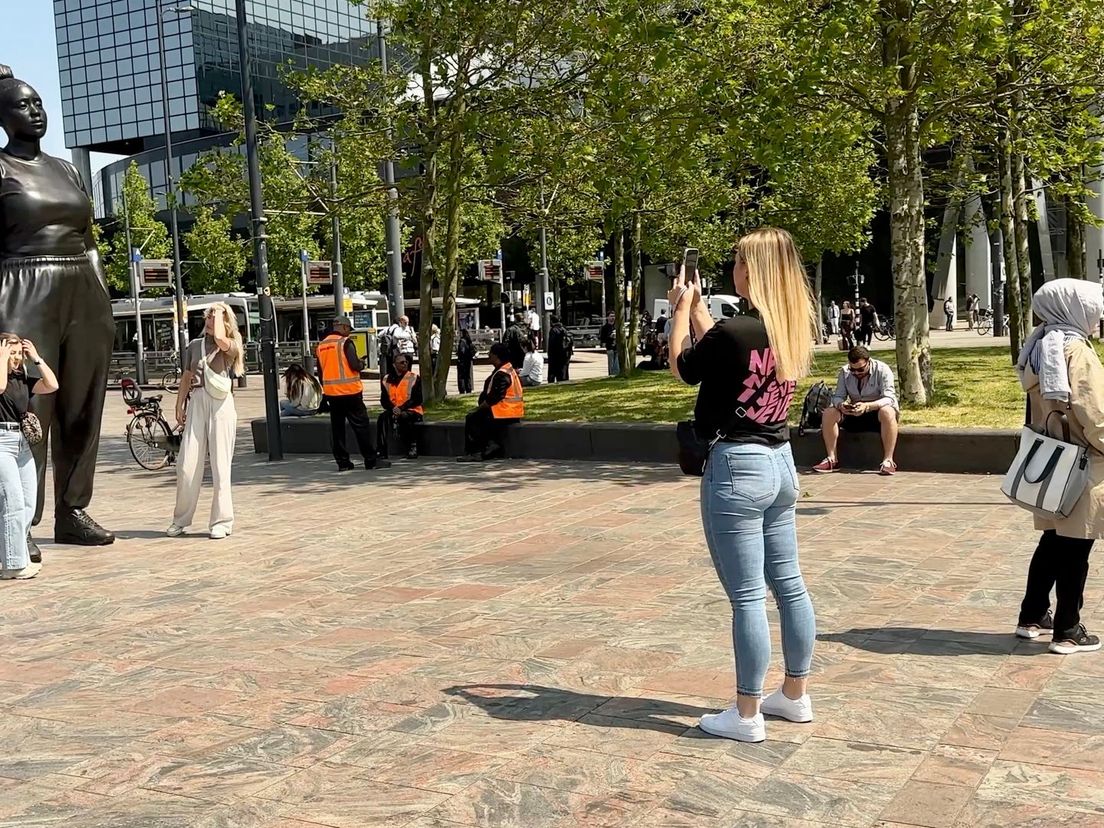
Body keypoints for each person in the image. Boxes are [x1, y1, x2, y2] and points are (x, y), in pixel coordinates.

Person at [669, 226, 816, 743]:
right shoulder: (791, 327)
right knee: (789, 583)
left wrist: (680, 311)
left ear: (751, 271)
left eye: (738, 260)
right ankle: (794, 695)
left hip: (737, 465)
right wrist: (702, 310)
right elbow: (723, 347)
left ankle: (747, 712)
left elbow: (685, 367)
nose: (733, 266)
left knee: (748, 595)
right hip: (780, 461)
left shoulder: (737, 334)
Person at [0, 65, 115, 546]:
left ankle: (73, 510)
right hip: (23, 286)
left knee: (82, 404)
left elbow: (89, 238)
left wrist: (102, 289)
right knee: (29, 408)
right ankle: (20, 521)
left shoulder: (67, 169)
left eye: (39, 102)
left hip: (82, 288)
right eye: (23, 105)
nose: (36, 111)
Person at [1014, 279, 1104, 654]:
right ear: (1075, 308)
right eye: (1094, 305)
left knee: (1052, 541)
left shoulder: (1039, 345)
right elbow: (1094, 413)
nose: (1098, 313)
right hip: (1082, 461)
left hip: (1051, 459)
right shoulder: (1075, 351)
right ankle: (1068, 628)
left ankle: (1032, 614)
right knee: (1075, 547)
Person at [167, 303, 243, 540]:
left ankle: (222, 521)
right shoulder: (194, 346)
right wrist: (180, 404)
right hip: (198, 399)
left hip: (221, 403)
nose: (209, 321)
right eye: (208, 317)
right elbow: (187, 377)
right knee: (186, 465)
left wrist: (219, 311)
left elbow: (220, 337)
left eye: (214, 318)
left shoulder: (230, 345)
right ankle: (180, 519)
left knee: (221, 465)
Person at [0, 334, 57, 579]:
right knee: (11, 503)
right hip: (2, 443)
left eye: (17, 354)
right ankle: (13, 565)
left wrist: (36, 358)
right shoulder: (3, 378)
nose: (15, 358)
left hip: (22, 444)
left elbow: (52, 385)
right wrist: (2, 357)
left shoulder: (22, 378)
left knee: (27, 504)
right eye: (10, 353)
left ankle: (17, 556)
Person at [813, 345, 900, 475]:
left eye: (860, 369)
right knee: (829, 413)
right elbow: (838, 396)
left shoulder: (882, 370)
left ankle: (888, 460)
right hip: (853, 413)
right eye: (853, 370)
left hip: (876, 414)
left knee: (887, 411)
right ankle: (832, 459)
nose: (856, 373)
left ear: (868, 362)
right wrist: (841, 405)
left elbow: (889, 398)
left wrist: (868, 406)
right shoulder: (845, 372)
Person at [315, 316, 387, 472]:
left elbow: (321, 372)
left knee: (338, 430)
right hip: (350, 392)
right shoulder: (345, 343)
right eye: (348, 329)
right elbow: (354, 365)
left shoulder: (321, 345)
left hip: (332, 394)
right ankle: (370, 460)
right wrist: (361, 363)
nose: (349, 332)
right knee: (361, 427)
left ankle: (343, 462)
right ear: (344, 327)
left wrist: (326, 391)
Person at [457, 342, 524, 463]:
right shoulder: (507, 369)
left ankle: (475, 452)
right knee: (478, 417)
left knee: (473, 418)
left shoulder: (502, 373)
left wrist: (481, 407)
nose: (488, 355)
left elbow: (495, 397)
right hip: (509, 410)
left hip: (503, 411)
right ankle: (491, 445)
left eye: (490, 353)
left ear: (496, 356)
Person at [377, 353, 424, 460]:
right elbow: (384, 400)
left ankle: (412, 447)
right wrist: (393, 408)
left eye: (406, 362)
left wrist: (401, 408)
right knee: (382, 418)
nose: (405, 364)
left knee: (404, 417)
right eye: (401, 362)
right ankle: (381, 450)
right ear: (394, 365)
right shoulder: (386, 379)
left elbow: (417, 399)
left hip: (412, 410)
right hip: (394, 409)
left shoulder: (414, 378)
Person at [546, 316, 571, 384]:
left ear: (551, 321)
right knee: (563, 373)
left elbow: (552, 344)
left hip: (555, 355)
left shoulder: (553, 330)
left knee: (553, 372)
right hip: (564, 354)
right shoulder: (564, 329)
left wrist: (550, 355)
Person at [456, 328, 476, 394]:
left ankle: (462, 389)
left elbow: (462, 351)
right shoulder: (469, 341)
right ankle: (468, 388)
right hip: (468, 360)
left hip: (462, 361)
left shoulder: (462, 341)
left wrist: (458, 353)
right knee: (467, 375)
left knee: (461, 376)